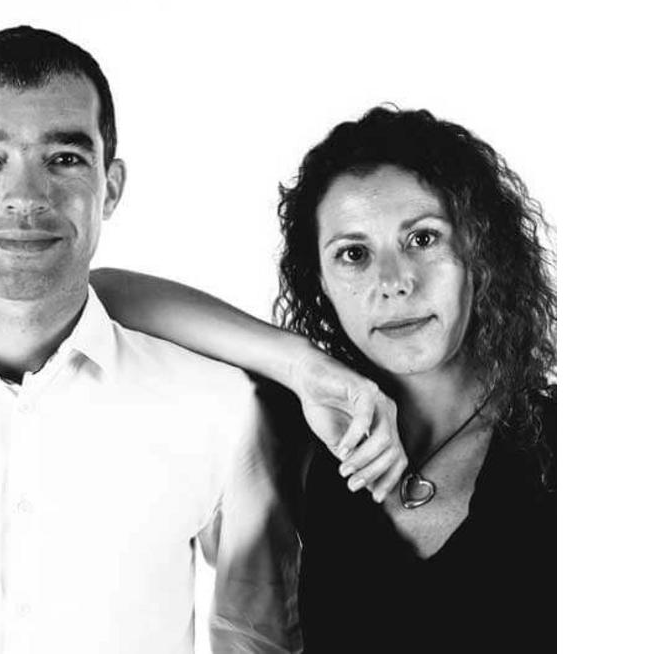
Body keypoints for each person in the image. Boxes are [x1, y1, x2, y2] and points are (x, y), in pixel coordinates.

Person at [0, 26, 405, 654]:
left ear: (111, 186)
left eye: (64, 158)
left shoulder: (220, 409)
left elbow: (258, 639)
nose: (23, 196)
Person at [93, 106, 557, 651]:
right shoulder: (308, 429)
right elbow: (102, 295)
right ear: (321, 283)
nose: (394, 282)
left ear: (480, 251)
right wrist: (305, 368)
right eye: (353, 254)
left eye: (423, 239)